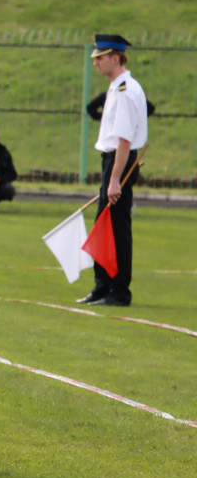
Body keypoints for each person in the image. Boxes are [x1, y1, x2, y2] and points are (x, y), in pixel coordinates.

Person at [76, 34, 148, 308]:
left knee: (117, 228)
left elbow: (125, 140)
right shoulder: (116, 88)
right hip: (112, 160)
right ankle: (102, 286)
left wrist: (115, 179)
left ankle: (119, 291)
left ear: (115, 58)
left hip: (120, 160)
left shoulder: (127, 91)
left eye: (100, 58)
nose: (95, 63)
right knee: (103, 225)